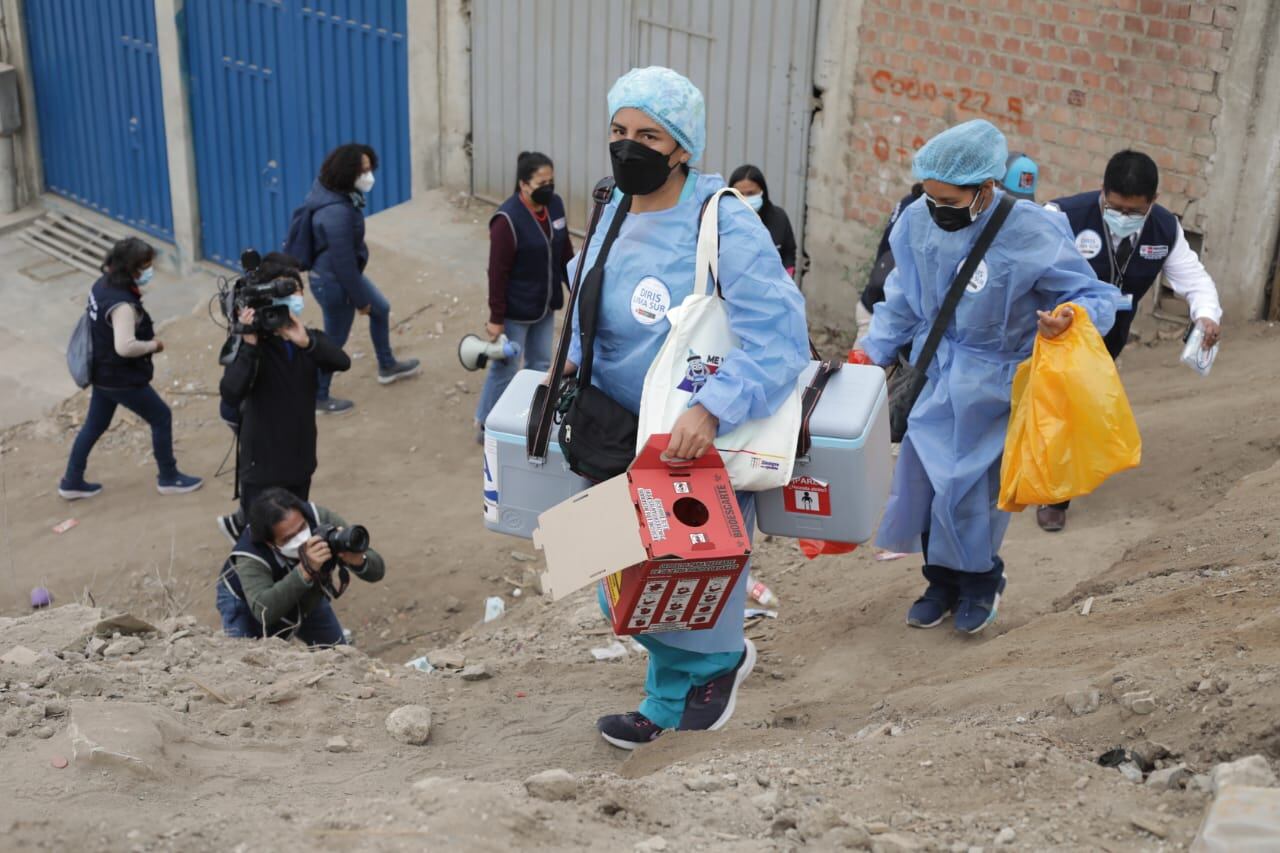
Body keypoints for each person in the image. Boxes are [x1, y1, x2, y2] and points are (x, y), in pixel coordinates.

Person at [565, 67, 809, 749]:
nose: (627, 145)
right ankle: (696, 668)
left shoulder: (721, 217)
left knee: (677, 575)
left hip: (685, 439)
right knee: (607, 574)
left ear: (683, 147)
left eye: (648, 134)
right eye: (618, 130)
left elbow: (780, 333)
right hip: (607, 426)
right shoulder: (611, 203)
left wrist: (713, 407)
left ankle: (691, 685)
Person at [854, 120, 1118, 635]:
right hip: (938, 374)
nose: (937, 211)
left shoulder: (1031, 230)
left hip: (998, 382)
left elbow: (1091, 296)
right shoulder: (917, 220)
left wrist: (1068, 319)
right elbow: (903, 296)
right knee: (927, 484)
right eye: (930, 199)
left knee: (974, 493)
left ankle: (980, 581)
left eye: (949, 201)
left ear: (987, 188)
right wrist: (871, 353)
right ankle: (940, 582)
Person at [1034, 149, 1223, 532]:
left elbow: (1194, 279)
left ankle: (1054, 488)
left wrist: (1206, 314)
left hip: (1110, 336)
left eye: (1134, 212)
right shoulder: (1061, 216)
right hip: (1052, 331)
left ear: (1152, 203)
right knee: (1058, 405)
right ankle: (1051, 493)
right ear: (1103, 192)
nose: (1122, 218)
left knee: (1074, 408)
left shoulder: (1165, 229)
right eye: (1114, 207)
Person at [216, 253, 351, 543]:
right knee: (260, 539)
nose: (293, 297)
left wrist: (306, 342)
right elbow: (230, 392)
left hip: (300, 459)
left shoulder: (307, 339)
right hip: (262, 465)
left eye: (295, 290)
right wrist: (250, 343)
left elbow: (341, 361)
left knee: (295, 533)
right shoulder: (252, 345)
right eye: (283, 290)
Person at [59, 239, 203, 500]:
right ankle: (169, 478)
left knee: (94, 425)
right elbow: (124, 346)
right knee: (161, 417)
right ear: (131, 268)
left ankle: (72, 481)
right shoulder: (122, 305)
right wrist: (154, 345)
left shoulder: (101, 285)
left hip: (101, 372)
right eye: (146, 266)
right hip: (119, 376)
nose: (150, 270)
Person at [857, 153, 1039, 344]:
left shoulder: (1014, 229)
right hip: (878, 310)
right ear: (989, 186)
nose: (1009, 208)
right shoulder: (925, 217)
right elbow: (904, 289)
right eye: (1005, 197)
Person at [292, 143, 419, 414]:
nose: (369, 175)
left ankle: (387, 366)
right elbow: (343, 264)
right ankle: (318, 396)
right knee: (334, 341)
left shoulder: (334, 192)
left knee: (381, 309)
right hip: (333, 283)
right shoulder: (336, 212)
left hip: (340, 277)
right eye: (363, 170)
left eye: (370, 168)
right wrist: (360, 300)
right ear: (347, 172)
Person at [473, 151, 574, 440]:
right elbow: (497, 273)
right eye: (542, 182)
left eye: (551, 180)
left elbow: (564, 251)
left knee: (540, 365)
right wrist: (496, 319)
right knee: (504, 369)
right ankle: (485, 424)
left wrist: (575, 289)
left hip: (545, 305)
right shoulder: (506, 220)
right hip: (516, 310)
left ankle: (523, 417)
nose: (549, 187)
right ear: (523, 184)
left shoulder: (554, 206)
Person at [216, 488, 384, 645]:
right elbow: (264, 612)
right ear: (270, 543)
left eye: (302, 528)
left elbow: (378, 571)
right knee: (249, 663)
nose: (302, 539)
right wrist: (306, 570)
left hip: (306, 594)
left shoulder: (320, 519)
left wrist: (357, 560)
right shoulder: (251, 556)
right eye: (289, 538)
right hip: (243, 601)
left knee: (338, 652)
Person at [728, 164, 797, 276]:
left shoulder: (779, 218)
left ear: (762, 191)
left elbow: (789, 252)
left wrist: (786, 278)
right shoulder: (723, 222)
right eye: (739, 194)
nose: (745, 199)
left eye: (751, 193)